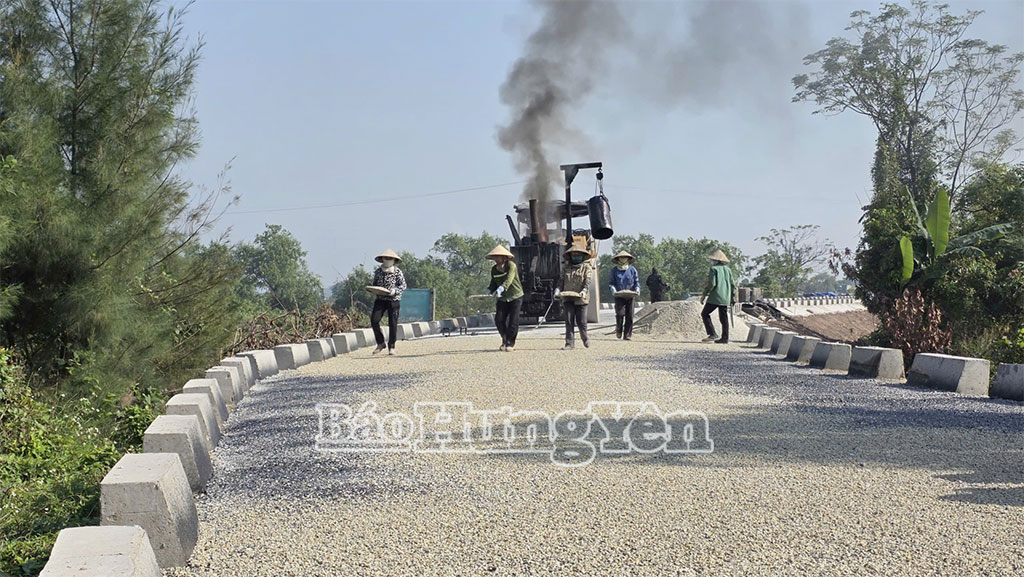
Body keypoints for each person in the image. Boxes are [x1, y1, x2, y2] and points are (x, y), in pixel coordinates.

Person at [486, 245, 524, 352]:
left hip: (515, 296)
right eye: (495, 257)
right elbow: (493, 283)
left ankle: (510, 343)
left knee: (513, 321)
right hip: (502, 298)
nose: (496, 259)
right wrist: (489, 290)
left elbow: (509, 279)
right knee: (499, 320)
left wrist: (502, 288)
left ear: (504, 257)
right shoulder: (494, 269)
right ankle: (505, 339)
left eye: (498, 257)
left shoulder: (511, 266)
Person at [370, 248, 407, 355]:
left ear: (394, 260)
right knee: (374, 320)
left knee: (393, 323)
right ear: (382, 259)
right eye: (386, 258)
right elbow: (374, 284)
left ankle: (392, 346)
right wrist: (376, 290)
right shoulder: (378, 271)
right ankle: (380, 342)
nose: (387, 260)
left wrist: (395, 291)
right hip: (380, 300)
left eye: (390, 258)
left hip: (393, 300)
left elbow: (403, 285)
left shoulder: (397, 272)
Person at [555, 244, 592, 350]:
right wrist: (557, 290)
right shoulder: (566, 268)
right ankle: (569, 343)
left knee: (581, 322)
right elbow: (561, 281)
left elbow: (588, 281)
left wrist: (584, 291)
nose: (576, 257)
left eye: (578, 255)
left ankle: (585, 338)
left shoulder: (586, 268)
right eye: (574, 255)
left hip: (581, 299)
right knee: (569, 320)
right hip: (568, 297)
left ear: (582, 256)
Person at [700, 249, 737, 344]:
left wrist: (704, 294)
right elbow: (733, 285)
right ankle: (725, 338)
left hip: (715, 297)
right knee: (724, 318)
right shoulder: (728, 270)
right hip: (726, 297)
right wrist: (733, 297)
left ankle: (712, 334)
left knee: (705, 313)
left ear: (715, 260)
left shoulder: (713, 269)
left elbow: (712, 284)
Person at [608, 250, 640, 340]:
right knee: (620, 314)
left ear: (628, 259)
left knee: (630, 315)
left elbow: (636, 282)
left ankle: (627, 335)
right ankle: (619, 329)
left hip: (630, 295)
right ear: (618, 259)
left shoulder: (632, 270)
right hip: (619, 295)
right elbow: (611, 283)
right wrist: (613, 290)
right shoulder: (614, 270)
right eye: (621, 258)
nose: (623, 259)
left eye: (625, 257)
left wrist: (637, 289)